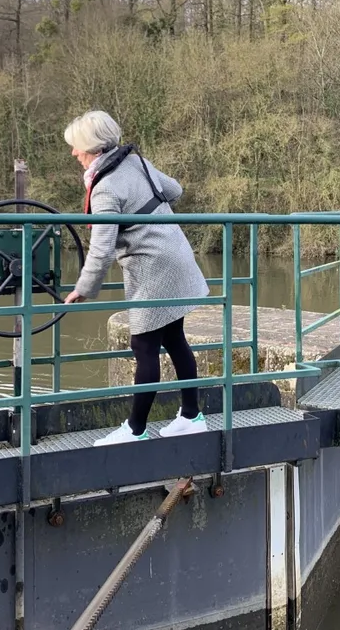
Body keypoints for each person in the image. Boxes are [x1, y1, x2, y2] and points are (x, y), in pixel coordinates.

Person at [62, 110, 210, 446]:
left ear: (94, 149)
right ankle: (191, 416)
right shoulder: (135, 163)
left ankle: (136, 428)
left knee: (143, 345)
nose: (74, 154)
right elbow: (175, 189)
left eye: (77, 148)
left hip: (153, 268)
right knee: (174, 337)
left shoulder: (105, 189)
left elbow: (100, 250)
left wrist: (83, 289)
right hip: (175, 255)